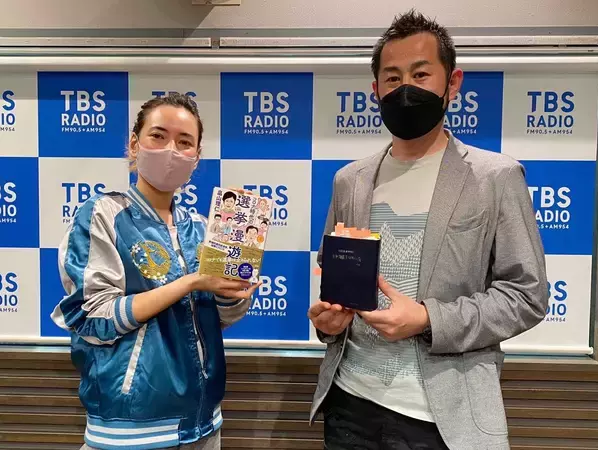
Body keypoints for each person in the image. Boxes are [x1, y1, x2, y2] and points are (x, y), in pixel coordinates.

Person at [308, 10, 548, 450]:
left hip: (443, 419)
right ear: (376, 90)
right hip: (349, 405)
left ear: (451, 84)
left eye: (420, 75)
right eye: (393, 77)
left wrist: (427, 319)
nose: (406, 89)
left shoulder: (496, 178)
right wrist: (330, 321)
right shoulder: (350, 180)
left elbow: (526, 296)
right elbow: (336, 280)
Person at [51, 93, 258, 450]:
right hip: (131, 429)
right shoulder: (103, 214)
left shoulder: (201, 227)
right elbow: (94, 317)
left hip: (204, 423)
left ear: (196, 157)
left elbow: (217, 317)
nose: (171, 151)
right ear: (134, 144)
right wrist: (190, 282)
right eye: (158, 136)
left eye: (185, 142)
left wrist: (231, 290)